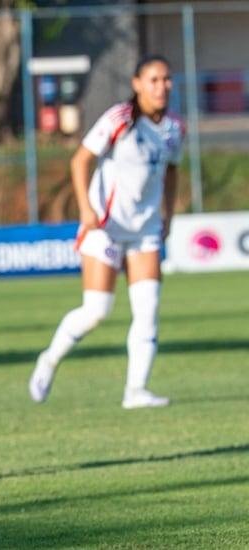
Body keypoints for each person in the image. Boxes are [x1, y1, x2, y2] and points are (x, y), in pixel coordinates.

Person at [30, 55, 182, 409]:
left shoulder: (175, 127)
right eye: (154, 80)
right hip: (106, 229)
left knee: (148, 311)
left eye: (166, 79)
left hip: (144, 230)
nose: (162, 86)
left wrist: (168, 216)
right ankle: (49, 359)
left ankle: (136, 391)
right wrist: (86, 209)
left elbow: (172, 170)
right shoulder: (120, 119)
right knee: (97, 310)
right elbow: (80, 159)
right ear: (137, 83)